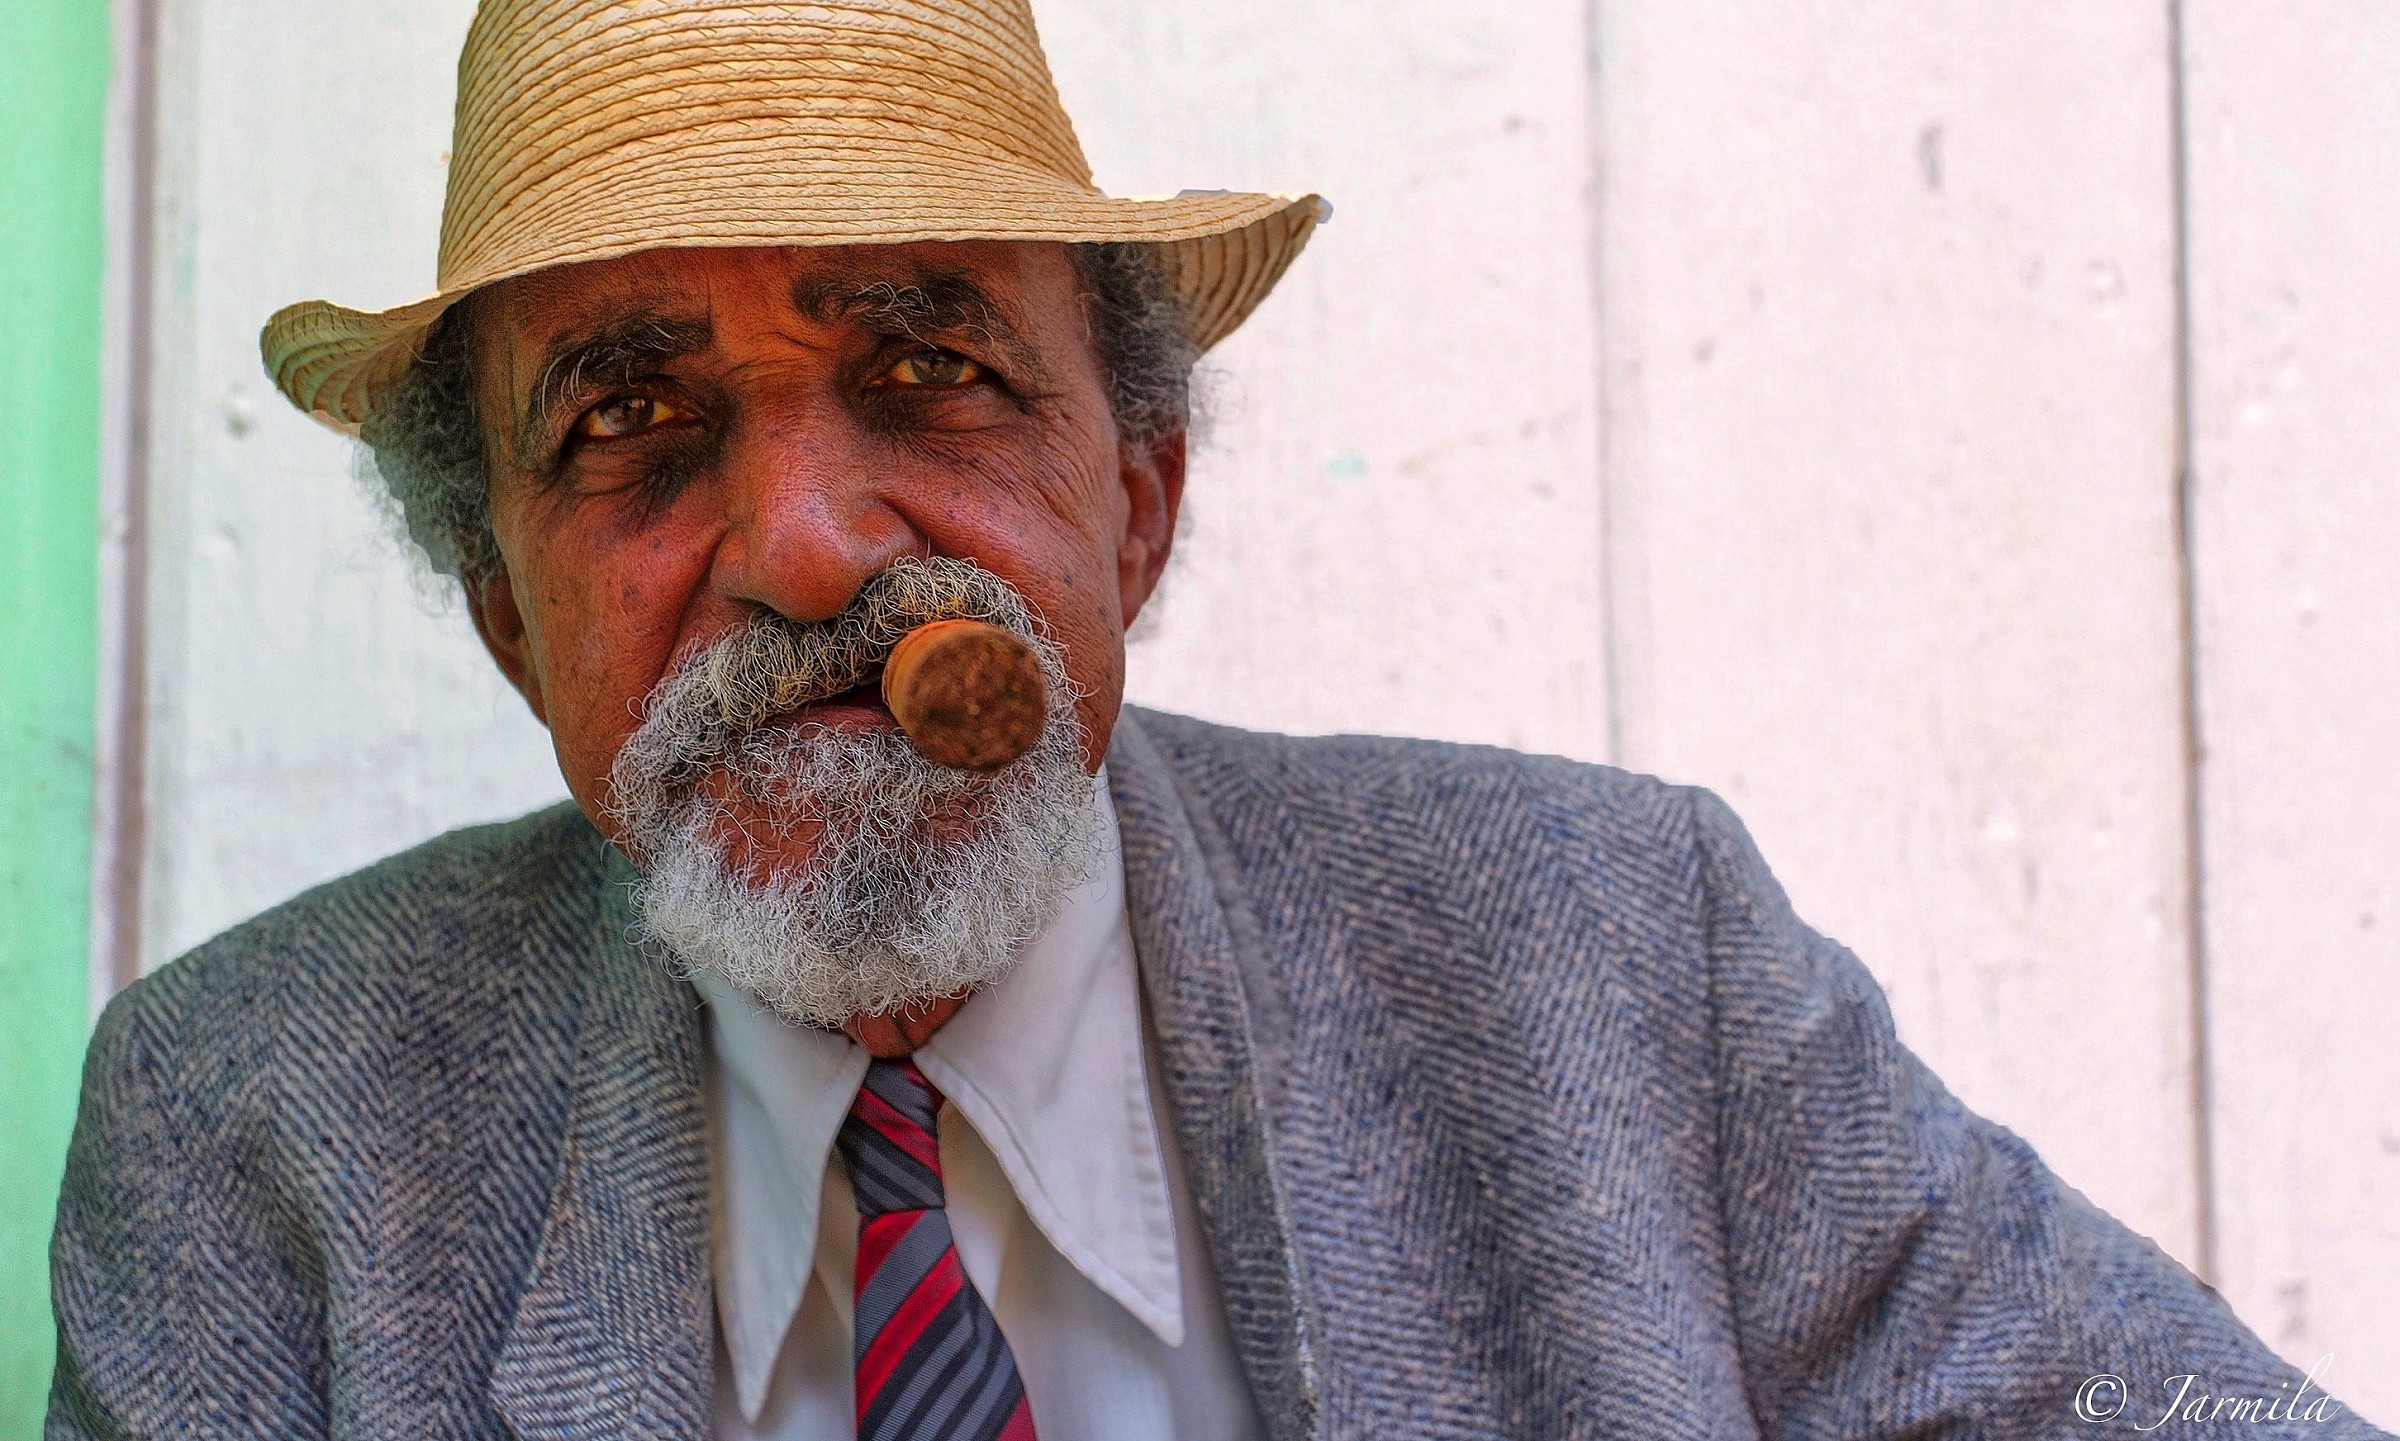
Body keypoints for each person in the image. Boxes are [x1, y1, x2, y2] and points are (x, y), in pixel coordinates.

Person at [47, 1, 2388, 1437]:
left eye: (925, 370)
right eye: (632, 425)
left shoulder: (1615, 966)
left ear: (1137, 500)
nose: (806, 549)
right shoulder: (255, 1136)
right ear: (505, 621)